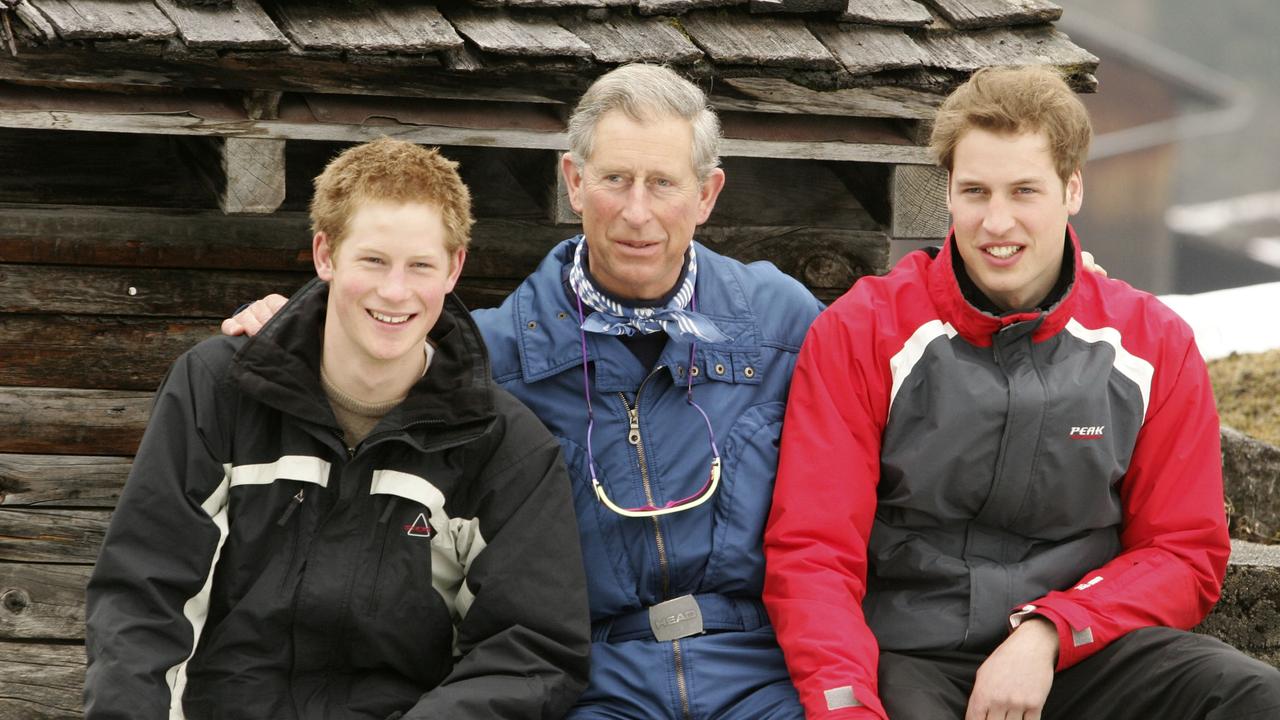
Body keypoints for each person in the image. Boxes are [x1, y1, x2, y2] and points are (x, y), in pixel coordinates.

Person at [225, 64, 826, 718]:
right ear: (573, 181)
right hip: (594, 679)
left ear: (707, 194)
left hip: (761, 671)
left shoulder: (782, 323)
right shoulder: (488, 354)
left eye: (663, 184)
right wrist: (299, 325)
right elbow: (366, 373)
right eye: (615, 180)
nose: (637, 212)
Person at [764, 65, 1280, 720]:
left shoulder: (1153, 342)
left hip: (1084, 650)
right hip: (913, 657)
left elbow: (1182, 552)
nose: (996, 221)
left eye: (1024, 191)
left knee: (1256, 698)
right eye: (975, 191)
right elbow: (813, 554)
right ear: (947, 193)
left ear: (1072, 189)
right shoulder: (862, 333)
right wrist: (844, 707)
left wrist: (1051, 632)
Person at [85, 138, 591, 719]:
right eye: (372, 260)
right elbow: (143, 596)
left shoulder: (504, 446)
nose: (394, 292)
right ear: (326, 255)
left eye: (420, 265)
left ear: (454, 268)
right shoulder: (218, 390)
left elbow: (530, 652)